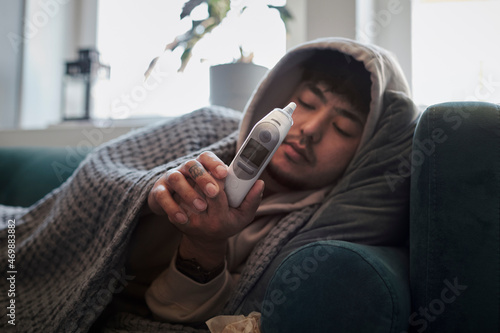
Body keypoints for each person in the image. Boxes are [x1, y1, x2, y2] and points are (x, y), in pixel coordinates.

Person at [0, 37, 418, 332]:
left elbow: (179, 312)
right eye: (306, 104)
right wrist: (149, 192)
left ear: (365, 151)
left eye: (343, 128)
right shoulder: (206, 126)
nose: (307, 129)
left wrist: (203, 246)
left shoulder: (312, 235)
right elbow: (99, 173)